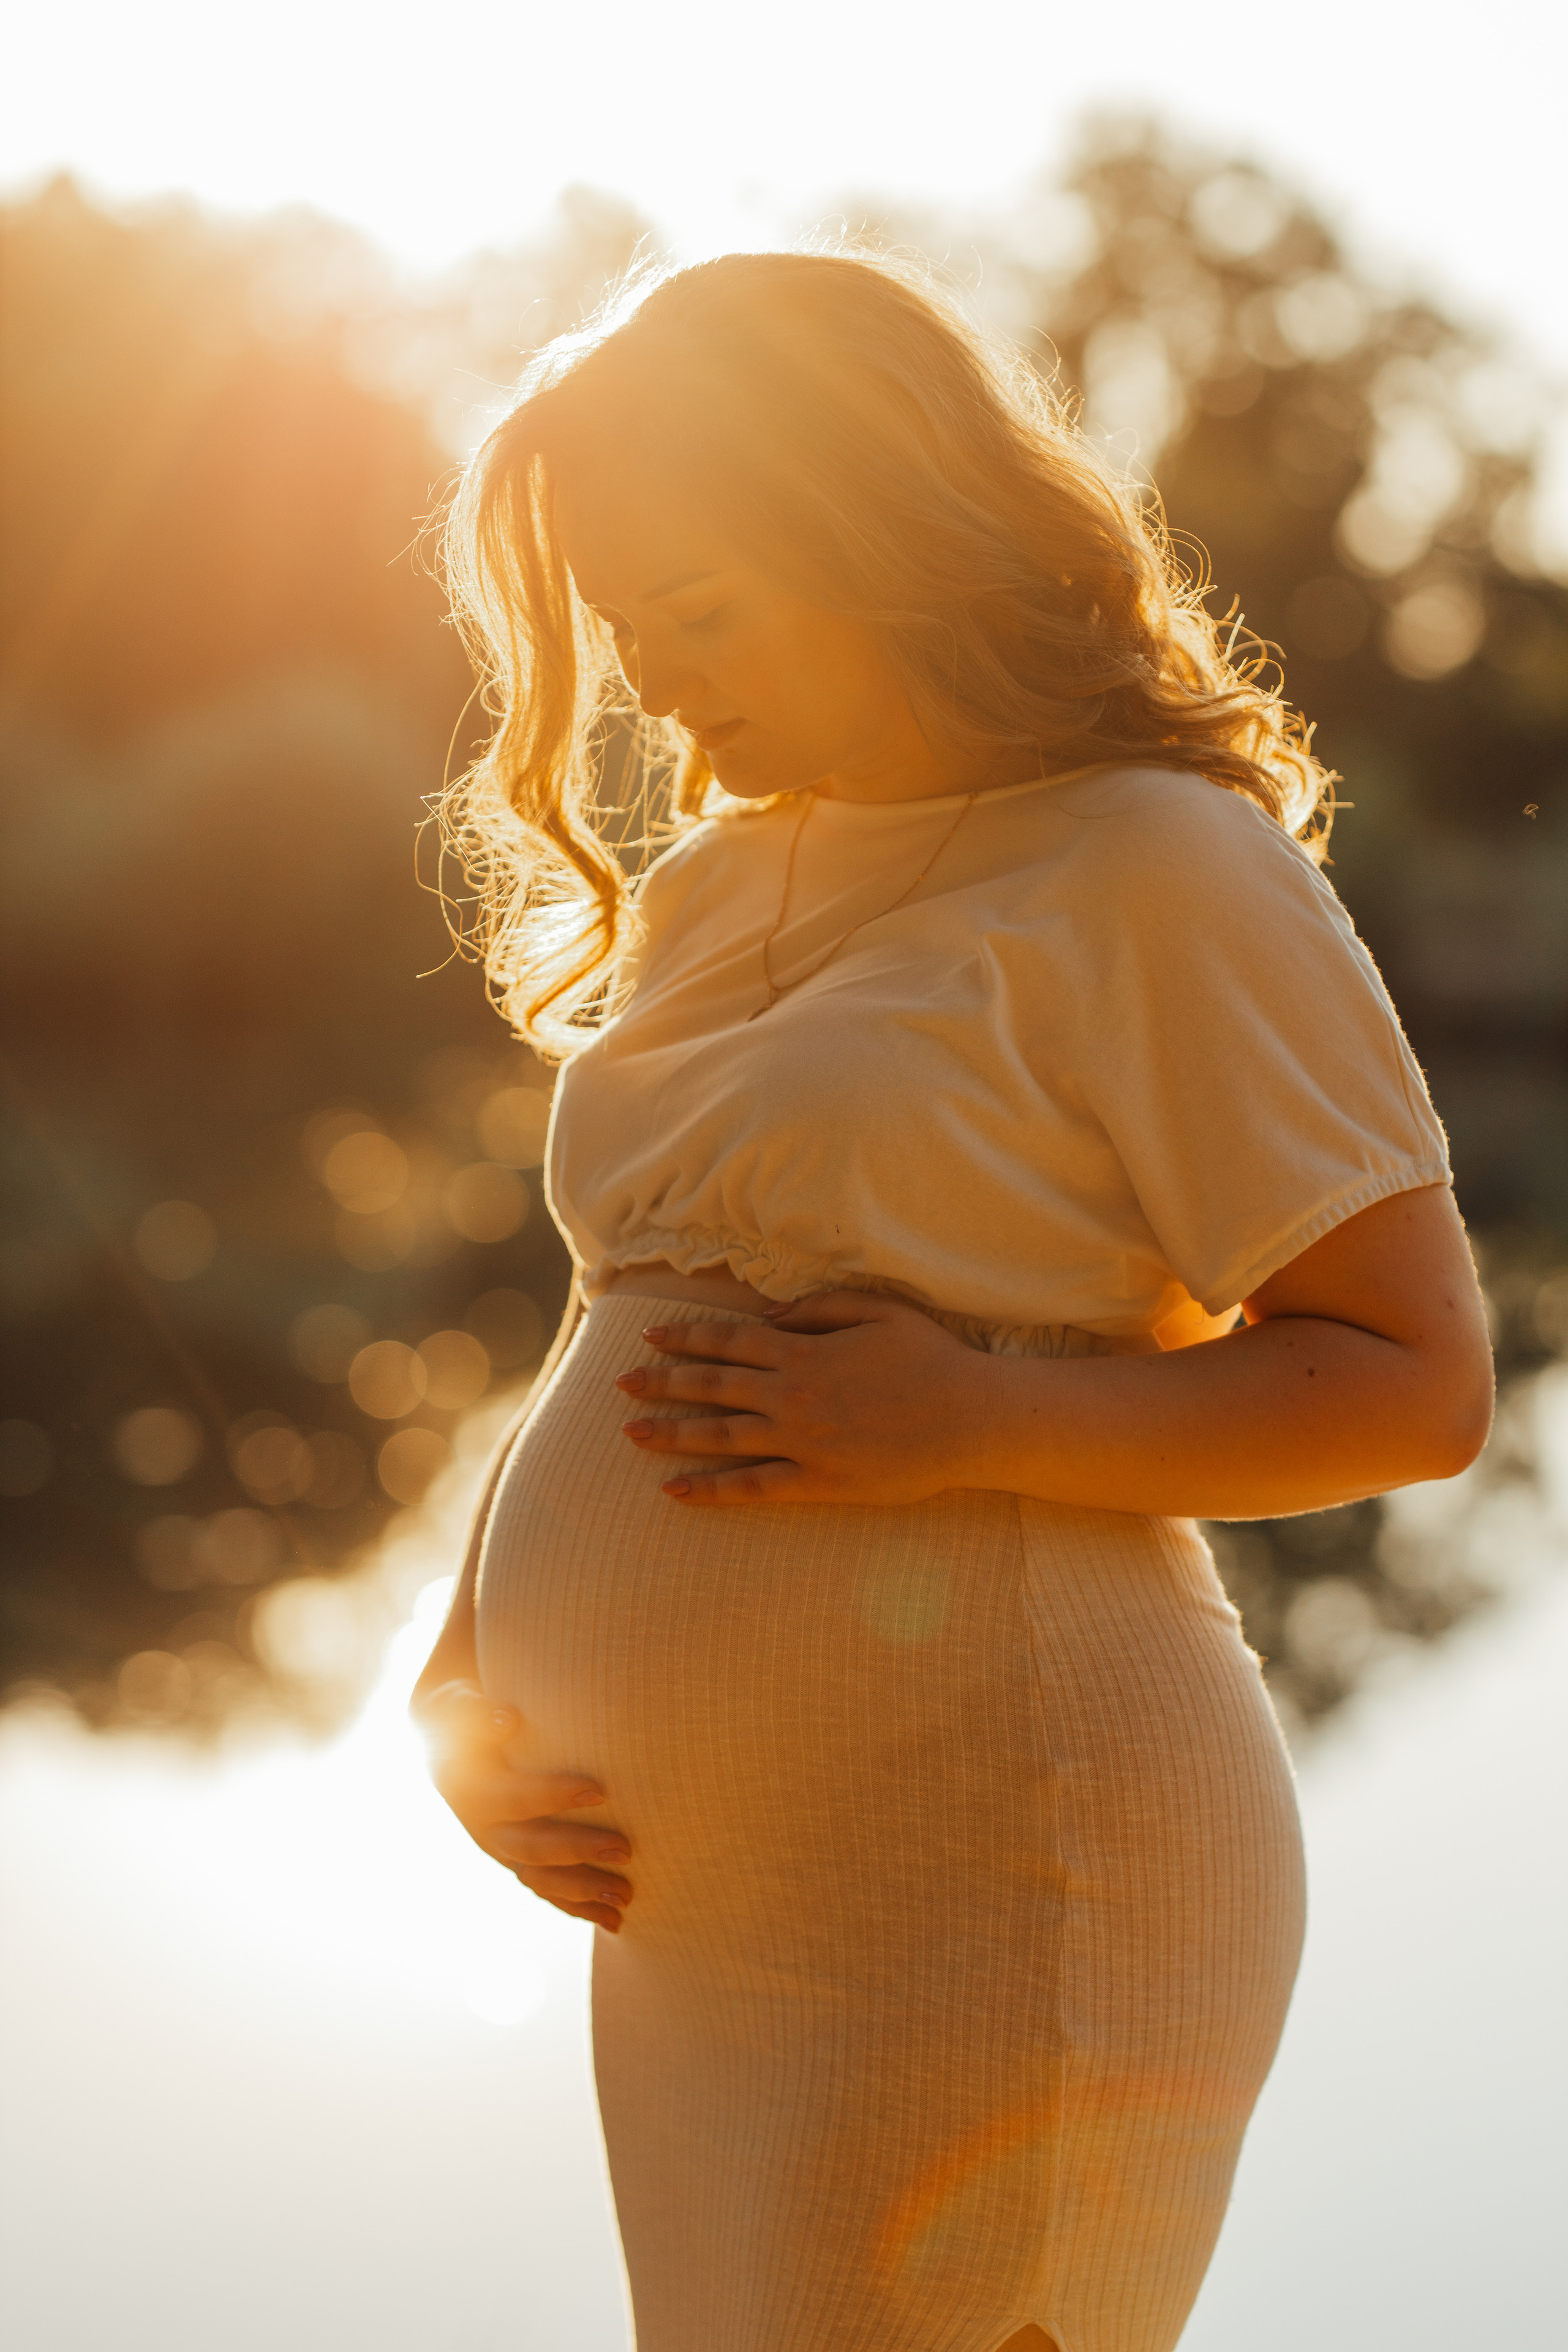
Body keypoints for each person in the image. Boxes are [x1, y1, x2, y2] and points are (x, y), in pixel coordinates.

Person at [411, 248, 1494, 2352]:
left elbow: (1419, 1381)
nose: (658, 685)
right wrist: (466, 1664)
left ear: (881, 540)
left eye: (700, 612)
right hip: (714, 1926)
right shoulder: (731, 878)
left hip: (1018, 1867)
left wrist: (974, 1420)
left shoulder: (1158, 864)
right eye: (627, 632)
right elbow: (625, 1306)